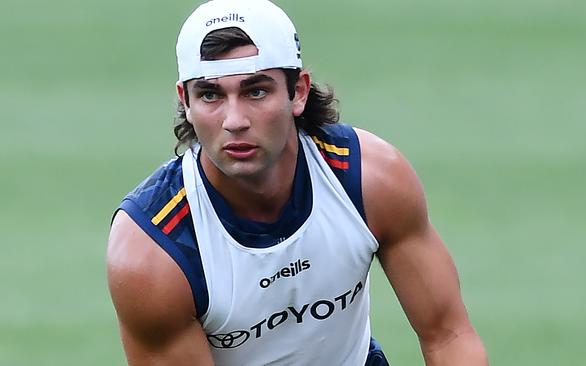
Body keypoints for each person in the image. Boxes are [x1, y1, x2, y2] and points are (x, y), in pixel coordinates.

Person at [107, 0, 488, 365]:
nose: (234, 120)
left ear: (298, 92)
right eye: (210, 95)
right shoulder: (152, 252)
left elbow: (448, 335)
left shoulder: (370, 177)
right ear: (185, 102)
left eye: (256, 91)